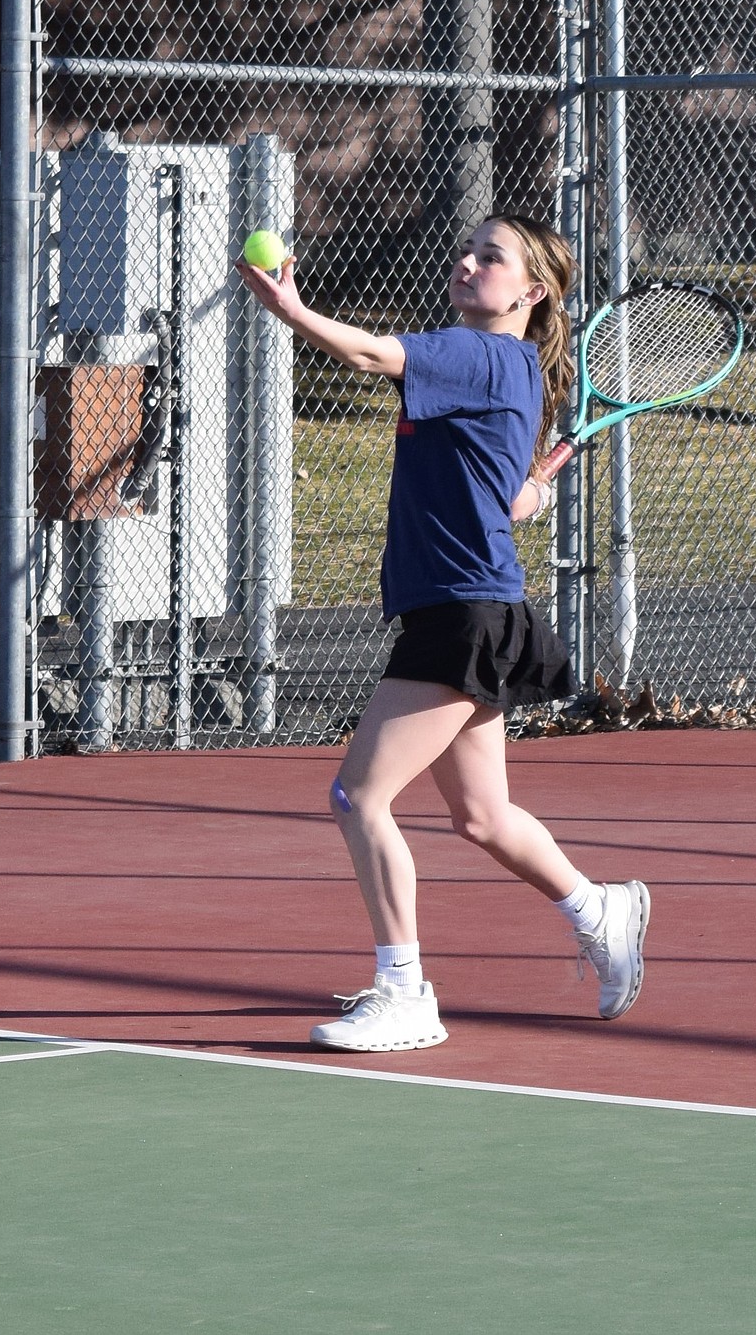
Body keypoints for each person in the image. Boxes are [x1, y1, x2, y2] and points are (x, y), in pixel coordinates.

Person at [237, 214, 650, 1052]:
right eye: (465, 247)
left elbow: (369, 354)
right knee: (484, 817)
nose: (466, 261)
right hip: (470, 604)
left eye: (489, 257)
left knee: (359, 794)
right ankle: (600, 909)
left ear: (530, 292)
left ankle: (404, 990)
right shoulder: (510, 370)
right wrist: (534, 485)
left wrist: (294, 310)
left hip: (464, 612)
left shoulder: (482, 351)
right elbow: (508, 505)